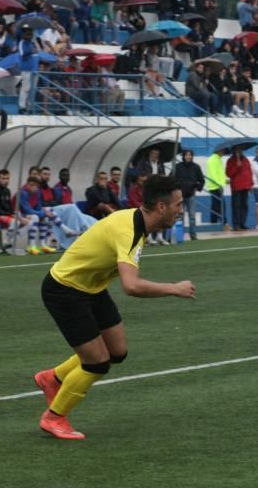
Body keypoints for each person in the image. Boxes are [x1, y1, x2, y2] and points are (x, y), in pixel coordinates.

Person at [33, 175, 195, 440]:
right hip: (65, 291)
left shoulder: (138, 223)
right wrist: (174, 288)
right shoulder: (129, 230)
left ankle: (53, 378)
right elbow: (131, 286)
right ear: (161, 207)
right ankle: (54, 417)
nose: (181, 210)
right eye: (178, 204)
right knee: (97, 363)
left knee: (116, 352)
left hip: (91, 288)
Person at [174, 149, 204, 240]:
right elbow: (172, 179)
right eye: (186, 155)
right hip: (180, 196)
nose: (188, 156)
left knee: (192, 216)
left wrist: (198, 187)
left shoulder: (196, 167)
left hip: (191, 195)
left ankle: (193, 235)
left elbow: (202, 180)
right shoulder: (177, 167)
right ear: (183, 156)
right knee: (180, 216)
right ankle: (180, 236)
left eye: (190, 154)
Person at [226, 144, 254, 231]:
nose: (239, 151)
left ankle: (242, 223)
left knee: (244, 206)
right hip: (236, 187)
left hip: (246, 186)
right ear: (234, 151)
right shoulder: (230, 160)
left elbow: (249, 172)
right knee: (236, 206)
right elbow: (228, 173)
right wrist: (237, 167)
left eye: (241, 149)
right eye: (238, 149)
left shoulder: (245, 159)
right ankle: (236, 225)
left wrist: (251, 184)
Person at [205, 146, 229, 230]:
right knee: (222, 205)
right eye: (223, 150)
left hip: (216, 185)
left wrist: (225, 181)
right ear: (219, 150)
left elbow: (219, 173)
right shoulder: (212, 159)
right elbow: (213, 174)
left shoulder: (217, 159)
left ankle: (213, 221)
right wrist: (219, 184)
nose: (223, 152)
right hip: (215, 186)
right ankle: (224, 223)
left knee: (215, 205)